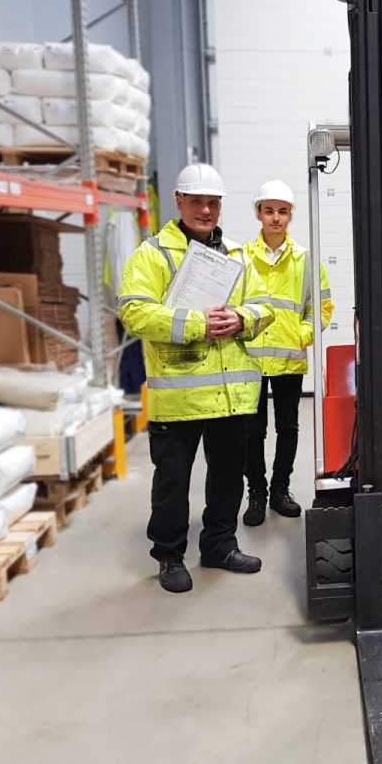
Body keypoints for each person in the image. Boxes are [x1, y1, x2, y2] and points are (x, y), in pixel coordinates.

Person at [118, 163, 276, 593]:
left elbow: (265, 305)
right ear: (179, 202)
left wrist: (241, 317)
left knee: (226, 476)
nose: (206, 210)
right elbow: (133, 310)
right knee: (173, 481)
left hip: (232, 395)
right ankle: (169, 554)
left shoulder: (240, 255)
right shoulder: (153, 254)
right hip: (180, 397)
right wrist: (196, 323)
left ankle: (219, 546)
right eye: (197, 201)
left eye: (213, 202)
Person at [241, 179, 334, 527]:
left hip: (289, 359)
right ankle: (257, 493)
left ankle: (280, 490)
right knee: (253, 431)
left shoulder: (307, 259)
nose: (275, 218)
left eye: (282, 211)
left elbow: (322, 306)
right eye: (269, 211)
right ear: (258, 215)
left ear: (290, 215)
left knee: (288, 427)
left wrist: (302, 334)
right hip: (249, 358)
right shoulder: (241, 258)